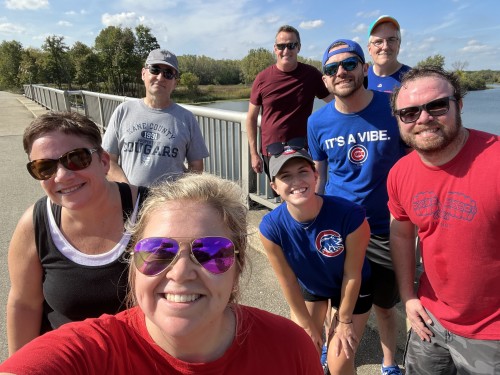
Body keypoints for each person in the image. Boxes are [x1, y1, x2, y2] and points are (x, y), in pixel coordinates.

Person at [0, 174, 324, 374]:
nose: (181, 272)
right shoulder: (91, 352)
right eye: (158, 252)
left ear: (237, 269)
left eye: (210, 252)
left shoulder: (290, 347)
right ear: (133, 267)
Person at [6, 111, 148, 355]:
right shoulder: (35, 224)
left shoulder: (151, 211)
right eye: (44, 168)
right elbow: (24, 304)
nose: (62, 175)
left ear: (104, 161)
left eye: (76, 158)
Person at [388, 66, 500, 374]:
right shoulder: (400, 173)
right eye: (409, 112)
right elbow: (400, 234)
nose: (423, 118)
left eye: (436, 106)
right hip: (430, 322)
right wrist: (408, 297)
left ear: (459, 105)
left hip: (492, 337)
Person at [307, 39, 408, 375]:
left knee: (383, 304)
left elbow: (412, 169)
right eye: (332, 68)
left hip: (384, 228)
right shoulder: (317, 123)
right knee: (338, 299)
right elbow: (319, 179)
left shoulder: (393, 107)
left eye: (350, 64)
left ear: (364, 69)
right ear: (324, 80)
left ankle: (389, 361)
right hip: (339, 228)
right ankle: (332, 349)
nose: (341, 72)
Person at [259, 146, 372, 375]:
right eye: (285, 176)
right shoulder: (271, 228)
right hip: (313, 285)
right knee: (304, 349)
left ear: (316, 175)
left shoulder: (350, 215)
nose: (297, 181)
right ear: (274, 187)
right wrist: (309, 327)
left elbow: (353, 274)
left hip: (352, 285)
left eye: (303, 172)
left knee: (339, 363)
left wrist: (344, 321)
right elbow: (289, 281)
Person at [102, 48, 209, 186]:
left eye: (168, 74)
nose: (160, 77)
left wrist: (179, 196)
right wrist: (129, 191)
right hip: (129, 202)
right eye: (155, 69)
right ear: (143, 73)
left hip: (168, 204)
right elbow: (108, 160)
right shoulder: (123, 111)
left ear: (175, 82)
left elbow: (196, 166)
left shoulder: (187, 118)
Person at [246, 24, 333, 180]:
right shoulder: (262, 78)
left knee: (303, 193)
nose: (286, 50)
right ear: (275, 48)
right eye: (281, 46)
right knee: (282, 193)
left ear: (298, 47)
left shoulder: (311, 75)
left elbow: (334, 104)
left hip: (302, 148)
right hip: (272, 150)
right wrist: (254, 153)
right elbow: (251, 118)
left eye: (291, 45)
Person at [367, 15, 411, 93]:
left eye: (391, 40)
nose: (385, 47)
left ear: (399, 44)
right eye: (378, 42)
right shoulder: (360, 79)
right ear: (369, 49)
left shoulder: (413, 78)